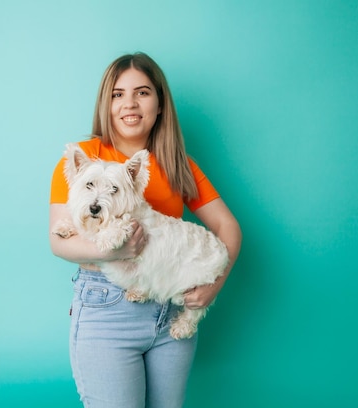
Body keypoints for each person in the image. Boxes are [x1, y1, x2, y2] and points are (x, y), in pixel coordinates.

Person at [49, 52, 242, 408]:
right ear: (106, 104)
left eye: (142, 92)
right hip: (108, 310)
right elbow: (60, 241)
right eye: (117, 94)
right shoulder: (83, 158)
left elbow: (227, 226)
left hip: (170, 310)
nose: (129, 104)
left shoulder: (176, 162)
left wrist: (214, 285)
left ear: (160, 104)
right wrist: (114, 251)